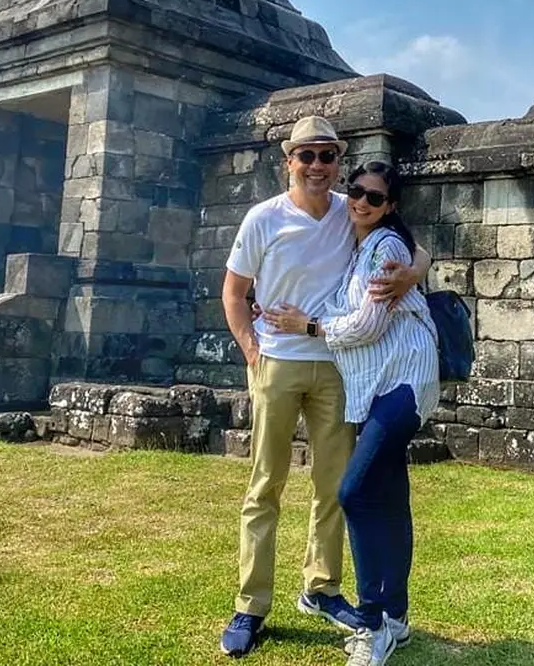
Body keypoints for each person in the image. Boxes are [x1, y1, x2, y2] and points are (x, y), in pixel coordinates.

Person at [219, 117, 429, 658]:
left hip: (337, 367)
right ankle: (251, 605)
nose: (317, 166)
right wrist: (250, 347)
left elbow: (409, 244)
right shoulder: (263, 218)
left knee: (333, 487)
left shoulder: (350, 207)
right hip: (279, 362)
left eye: (327, 156)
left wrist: (413, 273)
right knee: (266, 484)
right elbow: (234, 292)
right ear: (287, 160)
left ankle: (322, 586)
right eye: (306, 155)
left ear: (338, 161)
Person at [264, 161, 440, 666]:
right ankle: (397, 618)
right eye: (357, 192)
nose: (362, 202)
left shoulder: (384, 245)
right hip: (377, 381)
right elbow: (415, 250)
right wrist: (421, 262)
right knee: (388, 495)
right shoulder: (353, 227)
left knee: (354, 491)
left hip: (404, 379)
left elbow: (365, 324)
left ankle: (370, 620)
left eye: (375, 198)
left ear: (392, 206)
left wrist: (308, 326)